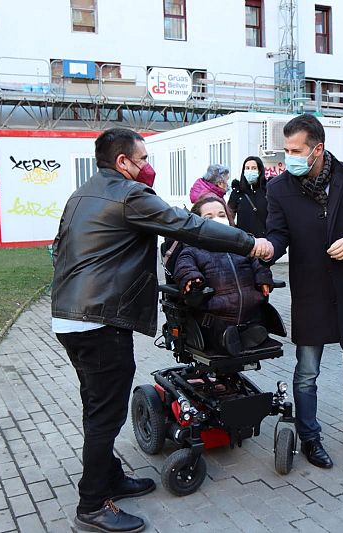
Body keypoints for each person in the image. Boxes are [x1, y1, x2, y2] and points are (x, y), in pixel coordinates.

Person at [51, 127, 273, 533]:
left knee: (96, 407)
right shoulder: (130, 195)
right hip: (100, 321)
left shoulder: (81, 194)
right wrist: (248, 243)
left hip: (70, 317)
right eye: (143, 159)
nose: (148, 167)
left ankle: (109, 477)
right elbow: (192, 227)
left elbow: (58, 249)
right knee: (105, 415)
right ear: (123, 163)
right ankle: (93, 506)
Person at [266, 113, 343, 470]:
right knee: (307, 373)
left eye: (295, 149)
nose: (287, 156)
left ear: (317, 149)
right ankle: (310, 437)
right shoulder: (279, 189)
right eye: (285, 149)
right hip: (310, 292)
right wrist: (265, 249)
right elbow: (278, 237)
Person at [173, 196, 273, 354]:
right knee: (222, 334)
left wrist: (263, 277)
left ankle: (246, 336)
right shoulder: (192, 250)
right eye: (209, 217)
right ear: (197, 223)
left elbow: (258, 264)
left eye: (221, 215)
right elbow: (184, 267)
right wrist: (191, 278)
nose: (217, 220)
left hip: (250, 316)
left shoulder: (243, 246)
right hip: (215, 321)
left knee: (254, 326)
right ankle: (226, 339)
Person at [228, 156, 268, 238]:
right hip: (244, 242)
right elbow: (229, 216)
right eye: (247, 168)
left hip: (266, 241)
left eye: (254, 168)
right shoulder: (237, 192)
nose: (250, 171)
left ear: (260, 171)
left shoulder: (268, 190)